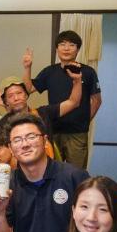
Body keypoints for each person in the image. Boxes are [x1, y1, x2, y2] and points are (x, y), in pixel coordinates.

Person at [22, 31, 102, 169]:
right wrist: (27, 68)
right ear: (57, 48)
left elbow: (96, 100)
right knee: (50, 170)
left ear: (78, 49)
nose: (66, 48)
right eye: (62, 44)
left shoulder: (87, 72)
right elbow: (28, 89)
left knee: (76, 173)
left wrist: (85, 120)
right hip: (53, 131)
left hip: (77, 133)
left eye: (72, 45)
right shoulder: (49, 71)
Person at [0, 70, 84, 161]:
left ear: (26, 95)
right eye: (10, 96)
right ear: (6, 101)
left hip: (47, 165)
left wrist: (77, 81)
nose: (16, 98)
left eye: (19, 93)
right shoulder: (3, 123)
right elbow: (3, 152)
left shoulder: (44, 113)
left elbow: (73, 102)